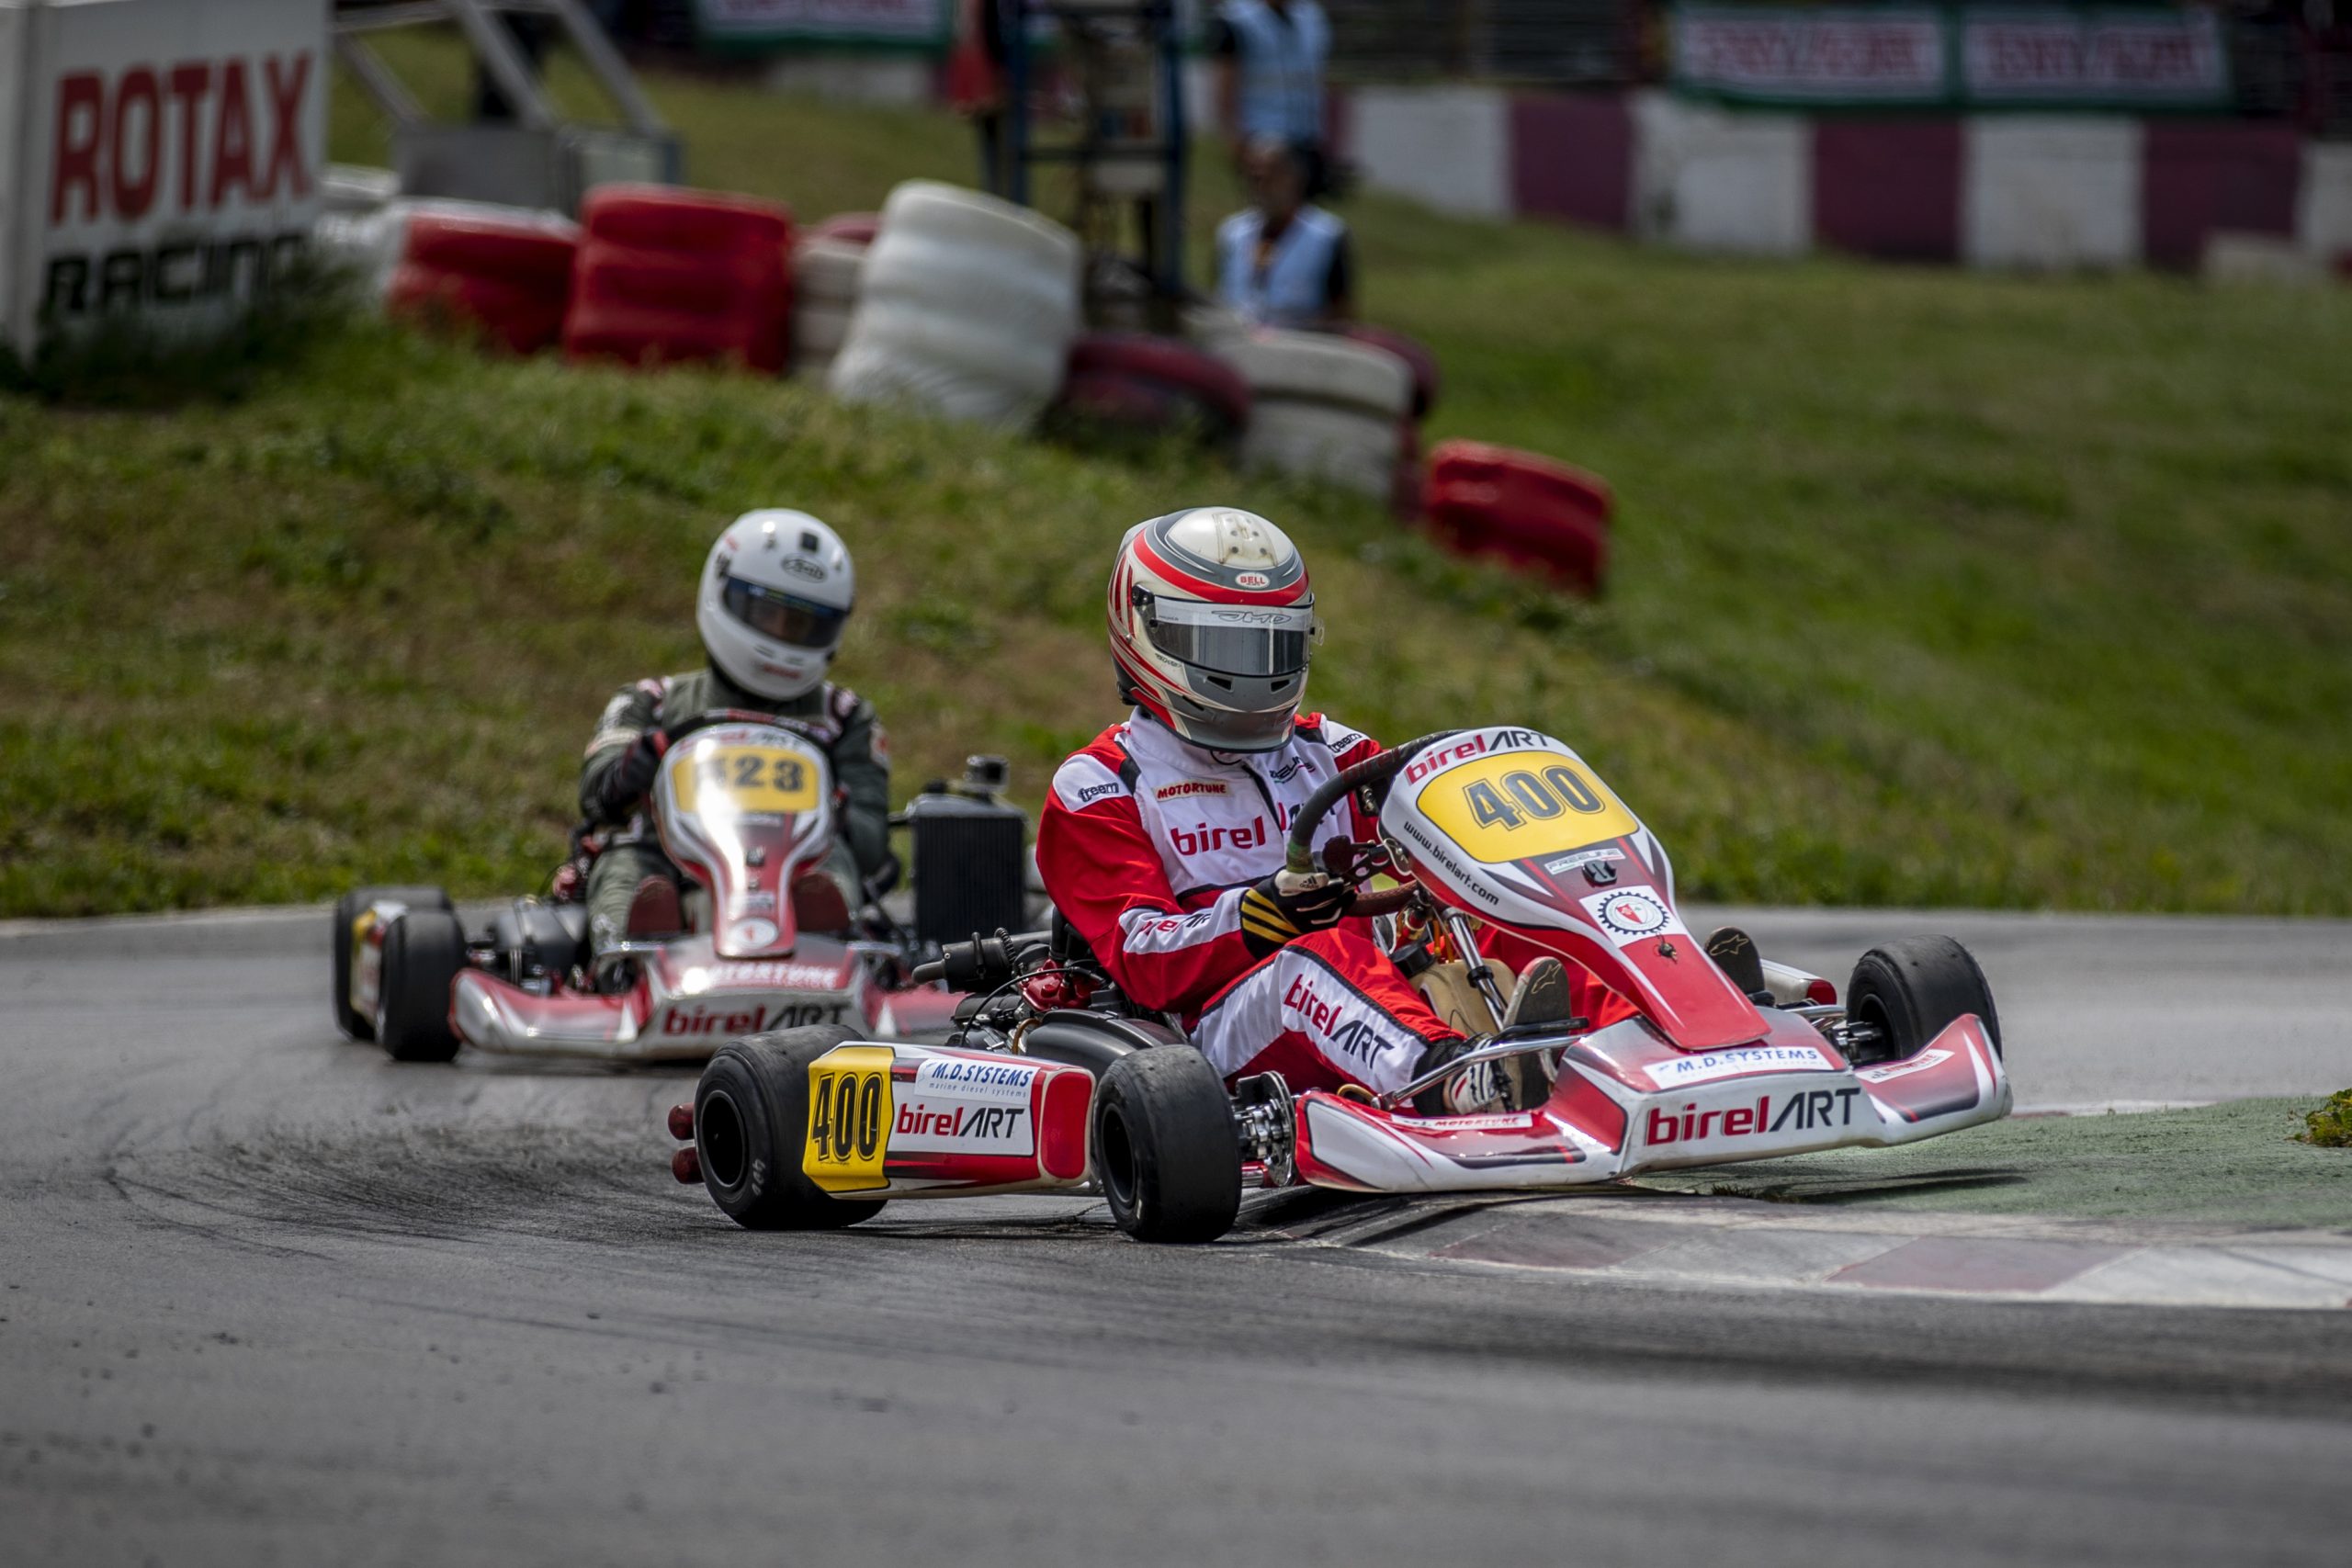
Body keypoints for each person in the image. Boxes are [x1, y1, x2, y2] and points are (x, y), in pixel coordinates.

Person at [1035, 506, 1636, 1115]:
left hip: (1369, 1001)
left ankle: (1640, 1043)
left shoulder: (1333, 753)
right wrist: (1260, 913)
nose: (1252, 673)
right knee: (1316, 956)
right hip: (1209, 1039)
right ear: (1147, 629)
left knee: (1495, 908)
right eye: (1224, 645)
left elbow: (1448, 844)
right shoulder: (1101, 785)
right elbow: (1145, 960)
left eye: (1270, 646)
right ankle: (1455, 1080)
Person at [577, 511, 891, 955]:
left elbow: (871, 841)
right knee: (625, 859)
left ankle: (823, 952)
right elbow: (595, 797)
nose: (781, 634)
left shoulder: (845, 717)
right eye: (767, 612)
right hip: (669, 860)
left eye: (801, 624)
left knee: (832, 857)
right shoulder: (652, 702)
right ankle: (626, 963)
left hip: (793, 866)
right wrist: (635, 768)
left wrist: (835, 807)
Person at [1216, 136, 1352, 330]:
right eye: (1255, 177)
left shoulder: (1327, 236)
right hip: (1236, 340)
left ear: (1295, 179)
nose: (1261, 185)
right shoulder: (1232, 233)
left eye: (1271, 176)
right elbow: (1219, 296)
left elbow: (1341, 316)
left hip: (1296, 343)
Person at [1209, 0, 1332, 196]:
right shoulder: (1237, 19)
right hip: (1262, 138)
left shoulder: (1311, 17)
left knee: (1303, 208)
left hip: (1304, 134)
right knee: (1273, 205)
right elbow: (1224, 86)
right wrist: (1234, 140)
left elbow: (1316, 77)